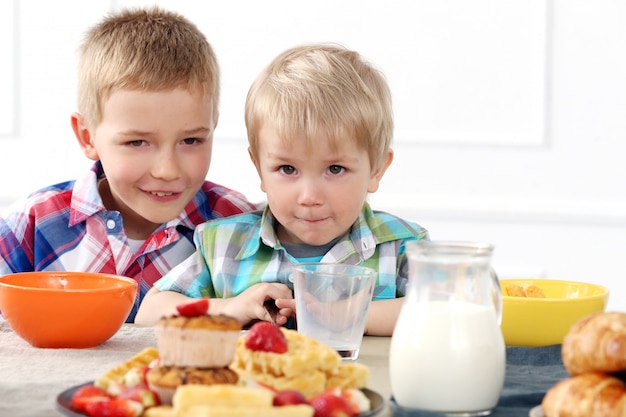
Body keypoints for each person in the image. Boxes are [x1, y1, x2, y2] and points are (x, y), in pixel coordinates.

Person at [135, 44, 429, 335]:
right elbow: (150, 312)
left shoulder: (400, 246)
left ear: (376, 169)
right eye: (288, 169)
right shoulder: (225, 245)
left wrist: (344, 314)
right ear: (259, 168)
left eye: (335, 169)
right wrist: (232, 308)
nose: (310, 197)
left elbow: (447, 309)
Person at [0, 7, 258, 322]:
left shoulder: (241, 227)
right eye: (137, 142)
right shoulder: (30, 226)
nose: (167, 170)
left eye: (191, 141)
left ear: (212, 128)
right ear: (87, 137)